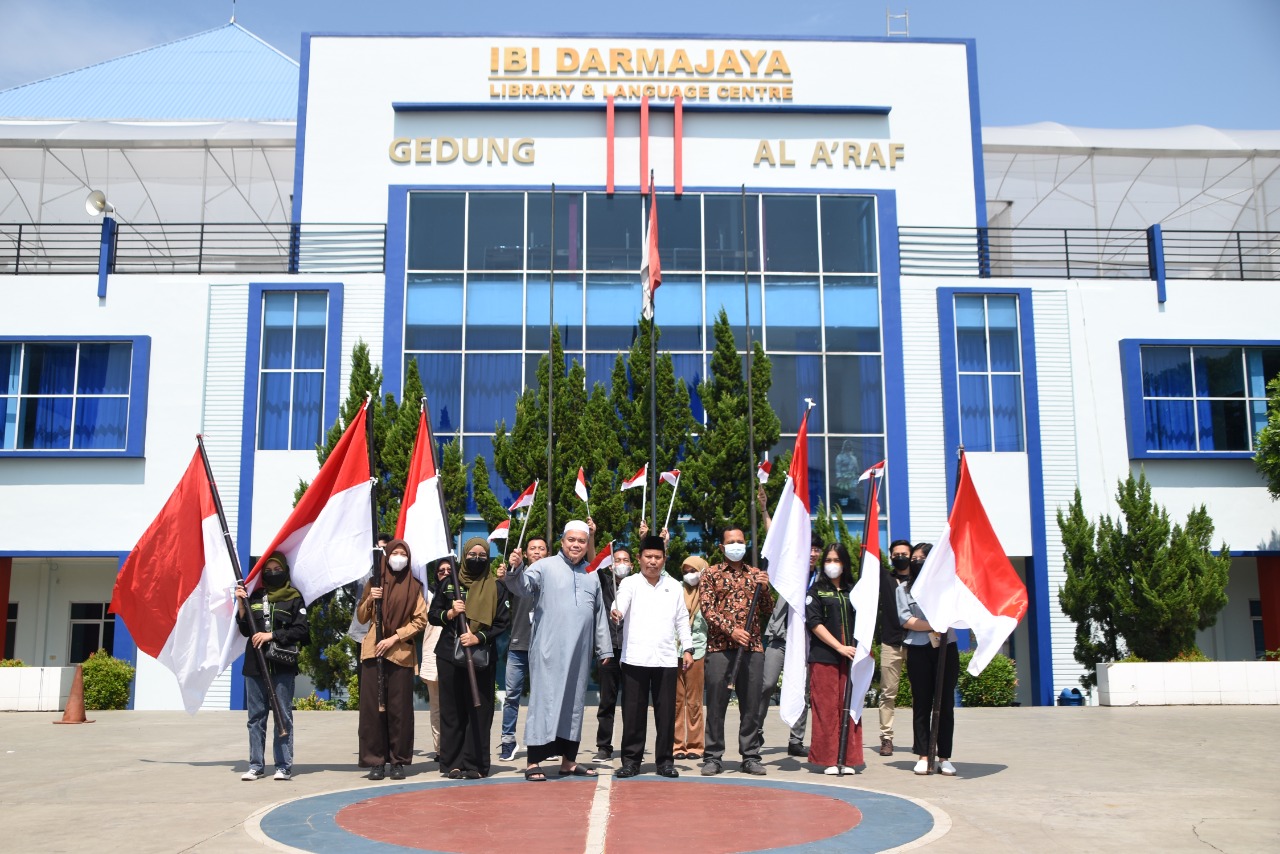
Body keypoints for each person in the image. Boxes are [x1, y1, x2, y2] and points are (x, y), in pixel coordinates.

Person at [504, 519, 614, 782]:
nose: (576, 545)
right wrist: (516, 568)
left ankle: (568, 761)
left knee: (574, 704)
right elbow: (521, 587)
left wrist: (604, 648)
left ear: (587, 544)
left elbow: (598, 613)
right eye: (571, 540)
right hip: (548, 650)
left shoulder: (591, 573)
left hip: (580, 650)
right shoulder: (544, 566)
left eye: (581, 541)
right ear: (562, 541)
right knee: (544, 701)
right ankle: (533, 762)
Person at [611, 535, 694, 778]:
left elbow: (682, 620)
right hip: (635, 658)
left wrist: (687, 648)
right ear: (639, 559)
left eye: (657, 557)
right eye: (648, 556)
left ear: (664, 560)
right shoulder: (630, 584)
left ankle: (665, 762)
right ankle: (631, 761)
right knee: (633, 713)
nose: (653, 561)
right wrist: (616, 612)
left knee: (666, 713)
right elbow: (621, 605)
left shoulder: (674, 586)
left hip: (666, 659)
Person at [430, 537, 510, 779]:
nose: (477, 559)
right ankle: (452, 763)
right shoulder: (450, 584)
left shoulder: (496, 587)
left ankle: (475, 764)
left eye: (482, 555)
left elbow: (503, 621)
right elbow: (434, 615)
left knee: (479, 709)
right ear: (464, 556)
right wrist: (451, 613)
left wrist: (479, 637)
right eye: (472, 554)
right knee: (452, 710)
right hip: (448, 655)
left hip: (481, 656)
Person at [700, 525, 774, 777]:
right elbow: (707, 610)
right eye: (730, 542)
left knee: (751, 704)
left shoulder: (756, 574)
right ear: (722, 547)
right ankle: (712, 756)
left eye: (740, 541)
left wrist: (765, 588)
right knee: (716, 703)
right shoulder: (710, 574)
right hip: (720, 648)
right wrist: (732, 630)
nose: (736, 546)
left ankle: (751, 755)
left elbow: (768, 610)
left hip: (752, 648)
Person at [356, 538, 427, 781]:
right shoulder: (374, 582)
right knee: (372, 710)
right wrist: (370, 599)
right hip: (372, 653)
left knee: (399, 711)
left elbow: (420, 619)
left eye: (402, 553)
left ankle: (398, 761)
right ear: (386, 555)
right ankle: (376, 761)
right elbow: (362, 617)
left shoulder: (414, 586)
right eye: (394, 553)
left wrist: (394, 637)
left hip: (399, 654)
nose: (398, 557)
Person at [235, 551, 309, 782]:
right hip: (255, 665)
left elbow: (302, 631)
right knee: (255, 717)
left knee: (282, 716)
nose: (273, 573)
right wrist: (240, 605)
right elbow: (246, 630)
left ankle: (283, 766)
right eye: (269, 570)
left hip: (282, 666)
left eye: (278, 570)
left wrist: (272, 635)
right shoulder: (254, 597)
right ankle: (256, 765)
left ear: (285, 571)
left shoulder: (295, 597)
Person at [897, 542, 959, 776]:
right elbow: (906, 620)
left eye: (922, 558)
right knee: (921, 702)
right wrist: (935, 625)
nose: (916, 562)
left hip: (946, 647)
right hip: (919, 649)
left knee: (944, 703)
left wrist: (943, 624)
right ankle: (924, 754)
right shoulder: (903, 590)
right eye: (914, 558)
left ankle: (944, 757)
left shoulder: (948, 588)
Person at [760, 529, 821, 758]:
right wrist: (765, 510)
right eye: (810, 549)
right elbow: (776, 537)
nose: (813, 553)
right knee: (766, 684)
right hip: (780, 636)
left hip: (806, 641)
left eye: (816, 549)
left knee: (801, 690)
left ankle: (796, 739)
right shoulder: (789, 572)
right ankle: (756, 731)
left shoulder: (821, 579)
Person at [805, 543, 863, 774]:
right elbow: (814, 623)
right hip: (825, 656)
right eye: (828, 560)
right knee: (826, 708)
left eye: (836, 560)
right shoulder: (816, 591)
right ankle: (828, 758)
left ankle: (848, 758)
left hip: (852, 658)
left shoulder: (854, 590)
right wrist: (839, 646)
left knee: (849, 706)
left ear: (845, 564)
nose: (832, 565)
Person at [496, 535, 547, 762]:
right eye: (533, 548)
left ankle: (544, 742)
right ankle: (508, 741)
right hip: (518, 646)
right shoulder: (516, 576)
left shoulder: (552, 577)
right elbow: (503, 591)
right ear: (525, 553)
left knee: (544, 697)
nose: (537, 551)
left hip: (544, 647)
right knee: (512, 696)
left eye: (541, 548)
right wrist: (507, 573)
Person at [593, 544, 631, 762]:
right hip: (609, 649)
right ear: (610, 565)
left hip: (632, 650)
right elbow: (592, 562)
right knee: (607, 701)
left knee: (631, 702)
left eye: (626, 560)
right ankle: (604, 746)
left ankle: (630, 747)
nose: (621, 564)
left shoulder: (637, 584)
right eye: (617, 560)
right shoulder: (605, 582)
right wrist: (592, 536)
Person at [877, 538, 914, 756]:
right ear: (891, 556)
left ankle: (921, 738)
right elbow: (869, 557)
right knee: (888, 693)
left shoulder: (918, 580)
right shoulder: (885, 578)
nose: (901, 557)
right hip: (890, 643)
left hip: (917, 642)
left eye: (905, 554)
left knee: (920, 693)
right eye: (896, 554)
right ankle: (886, 738)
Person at [417, 557, 454, 763]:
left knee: (455, 705)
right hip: (433, 654)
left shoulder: (460, 592)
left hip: (456, 653)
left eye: (450, 570)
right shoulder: (428, 593)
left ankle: (455, 746)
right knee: (437, 707)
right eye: (441, 571)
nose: (446, 573)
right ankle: (440, 749)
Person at [673, 554, 709, 761]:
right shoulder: (676, 588)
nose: (689, 575)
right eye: (686, 571)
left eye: (694, 571)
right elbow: (661, 573)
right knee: (676, 701)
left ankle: (695, 745)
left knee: (694, 700)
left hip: (698, 650)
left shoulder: (708, 591)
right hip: (673, 650)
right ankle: (677, 745)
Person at [348, 532, 392, 645]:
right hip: (363, 634)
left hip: (388, 636)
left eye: (384, 549)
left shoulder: (396, 575)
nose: (380, 552)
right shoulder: (362, 572)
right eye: (377, 549)